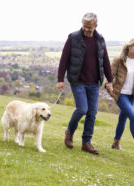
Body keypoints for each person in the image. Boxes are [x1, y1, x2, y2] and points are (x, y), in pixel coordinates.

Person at [57, 12, 113, 154]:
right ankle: (69, 132)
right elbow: (64, 59)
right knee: (82, 109)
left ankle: (86, 143)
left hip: (94, 82)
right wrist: (60, 79)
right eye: (84, 26)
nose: (86, 29)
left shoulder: (100, 39)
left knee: (92, 113)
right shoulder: (73, 37)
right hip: (78, 80)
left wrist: (110, 80)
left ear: (96, 25)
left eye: (89, 27)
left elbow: (105, 61)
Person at [106, 39, 134, 150]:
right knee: (132, 116)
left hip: (132, 95)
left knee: (123, 117)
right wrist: (109, 86)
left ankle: (116, 142)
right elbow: (110, 74)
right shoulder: (120, 60)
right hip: (121, 94)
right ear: (130, 47)